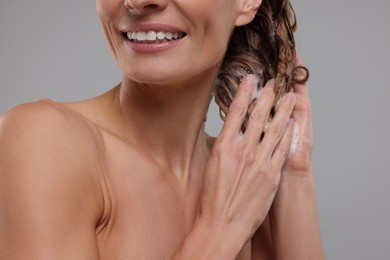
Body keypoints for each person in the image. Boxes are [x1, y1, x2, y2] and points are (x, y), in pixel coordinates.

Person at [0, 0, 324, 259]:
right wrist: (219, 229)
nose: (139, 2)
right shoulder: (45, 141)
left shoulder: (246, 176)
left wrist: (295, 177)